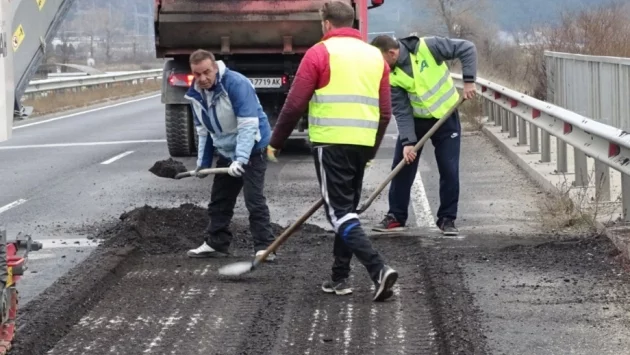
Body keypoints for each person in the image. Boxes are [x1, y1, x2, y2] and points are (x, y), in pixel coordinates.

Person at [267, 1, 398, 302]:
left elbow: (295, 104)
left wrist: (276, 141)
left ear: (326, 23)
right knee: (347, 212)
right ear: (352, 23)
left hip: (331, 143)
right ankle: (339, 278)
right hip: (362, 143)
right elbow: (385, 113)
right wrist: (371, 151)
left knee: (339, 214)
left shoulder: (319, 53)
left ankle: (378, 269)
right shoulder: (375, 58)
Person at [369, 34, 477, 236]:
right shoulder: (391, 75)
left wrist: (469, 81)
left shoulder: (429, 47)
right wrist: (408, 142)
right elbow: (401, 110)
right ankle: (396, 216)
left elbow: (467, 48)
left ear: (392, 53)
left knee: (449, 169)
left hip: (446, 117)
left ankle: (447, 219)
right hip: (416, 121)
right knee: (402, 166)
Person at [184, 49, 277, 262]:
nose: (203, 78)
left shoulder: (236, 84)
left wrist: (241, 159)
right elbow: (204, 131)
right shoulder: (195, 93)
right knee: (220, 199)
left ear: (215, 67)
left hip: (252, 148)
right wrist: (203, 163)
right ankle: (216, 243)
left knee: (254, 200)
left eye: (207, 72)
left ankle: (264, 247)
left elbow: (248, 125)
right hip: (227, 149)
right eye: (197, 74)